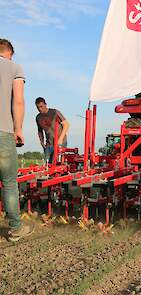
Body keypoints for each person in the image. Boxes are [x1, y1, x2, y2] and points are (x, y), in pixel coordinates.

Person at [0, 38, 34, 241]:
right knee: (9, 182)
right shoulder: (14, 67)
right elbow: (18, 101)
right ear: (9, 53)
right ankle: (15, 228)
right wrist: (18, 129)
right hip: (3, 131)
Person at [35, 97, 69, 164]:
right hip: (49, 144)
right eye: (38, 107)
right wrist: (42, 142)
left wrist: (60, 139)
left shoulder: (55, 112)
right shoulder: (38, 117)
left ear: (45, 104)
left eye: (41, 106)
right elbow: (40, 131)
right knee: (47, 165)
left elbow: (66, 125)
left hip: (60, 143)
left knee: (56, 164)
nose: (39, 109)